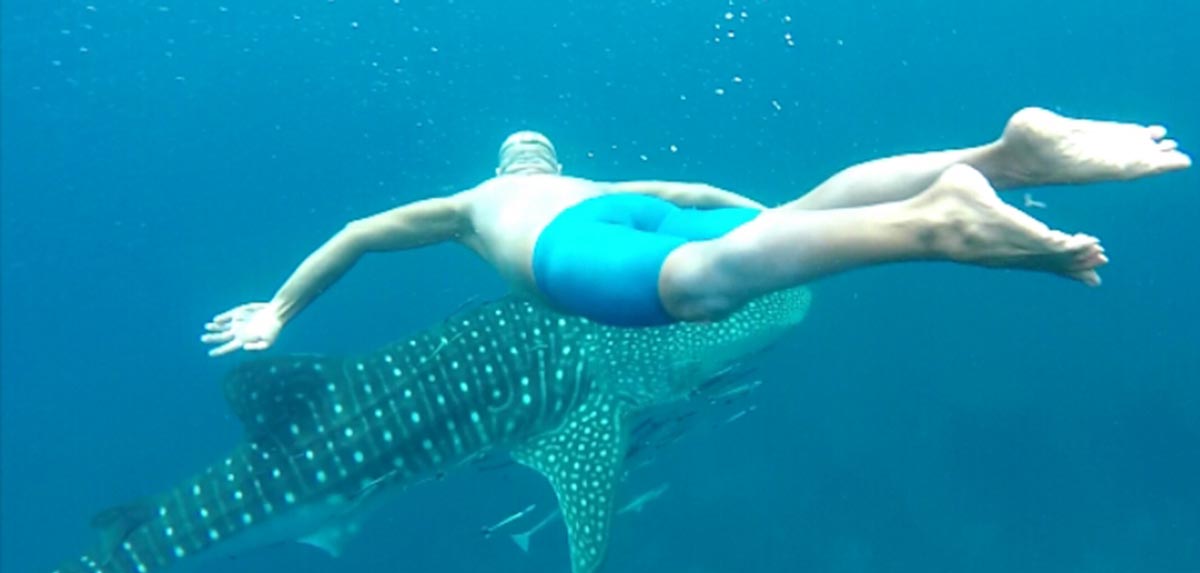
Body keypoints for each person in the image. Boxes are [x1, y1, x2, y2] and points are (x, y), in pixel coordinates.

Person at [202, 107, 1189, 355]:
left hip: (576, 251)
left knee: (699, 288)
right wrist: (781, 225)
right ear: (547, 162)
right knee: (792, 218)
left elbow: (358, 234)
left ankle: (935, 225)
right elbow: (705, 187)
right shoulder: (586, 175)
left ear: (508, 171)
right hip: (632, 213)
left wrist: (281, 309)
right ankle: (999, 155)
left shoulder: (471, 207)